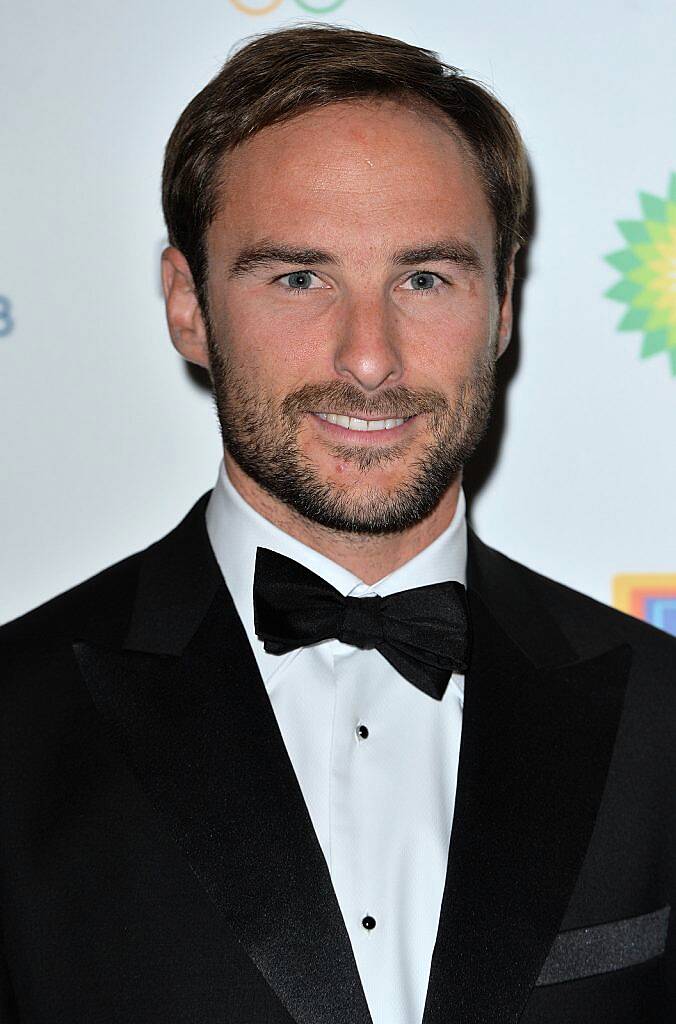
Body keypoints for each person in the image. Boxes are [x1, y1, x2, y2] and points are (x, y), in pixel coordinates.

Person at [1, 23, 674, 1024]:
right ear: (189, 304)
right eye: (298, 278)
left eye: (424, 278)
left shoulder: (660, 721)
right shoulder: (17, 722)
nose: (369, 357)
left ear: (501, 305)